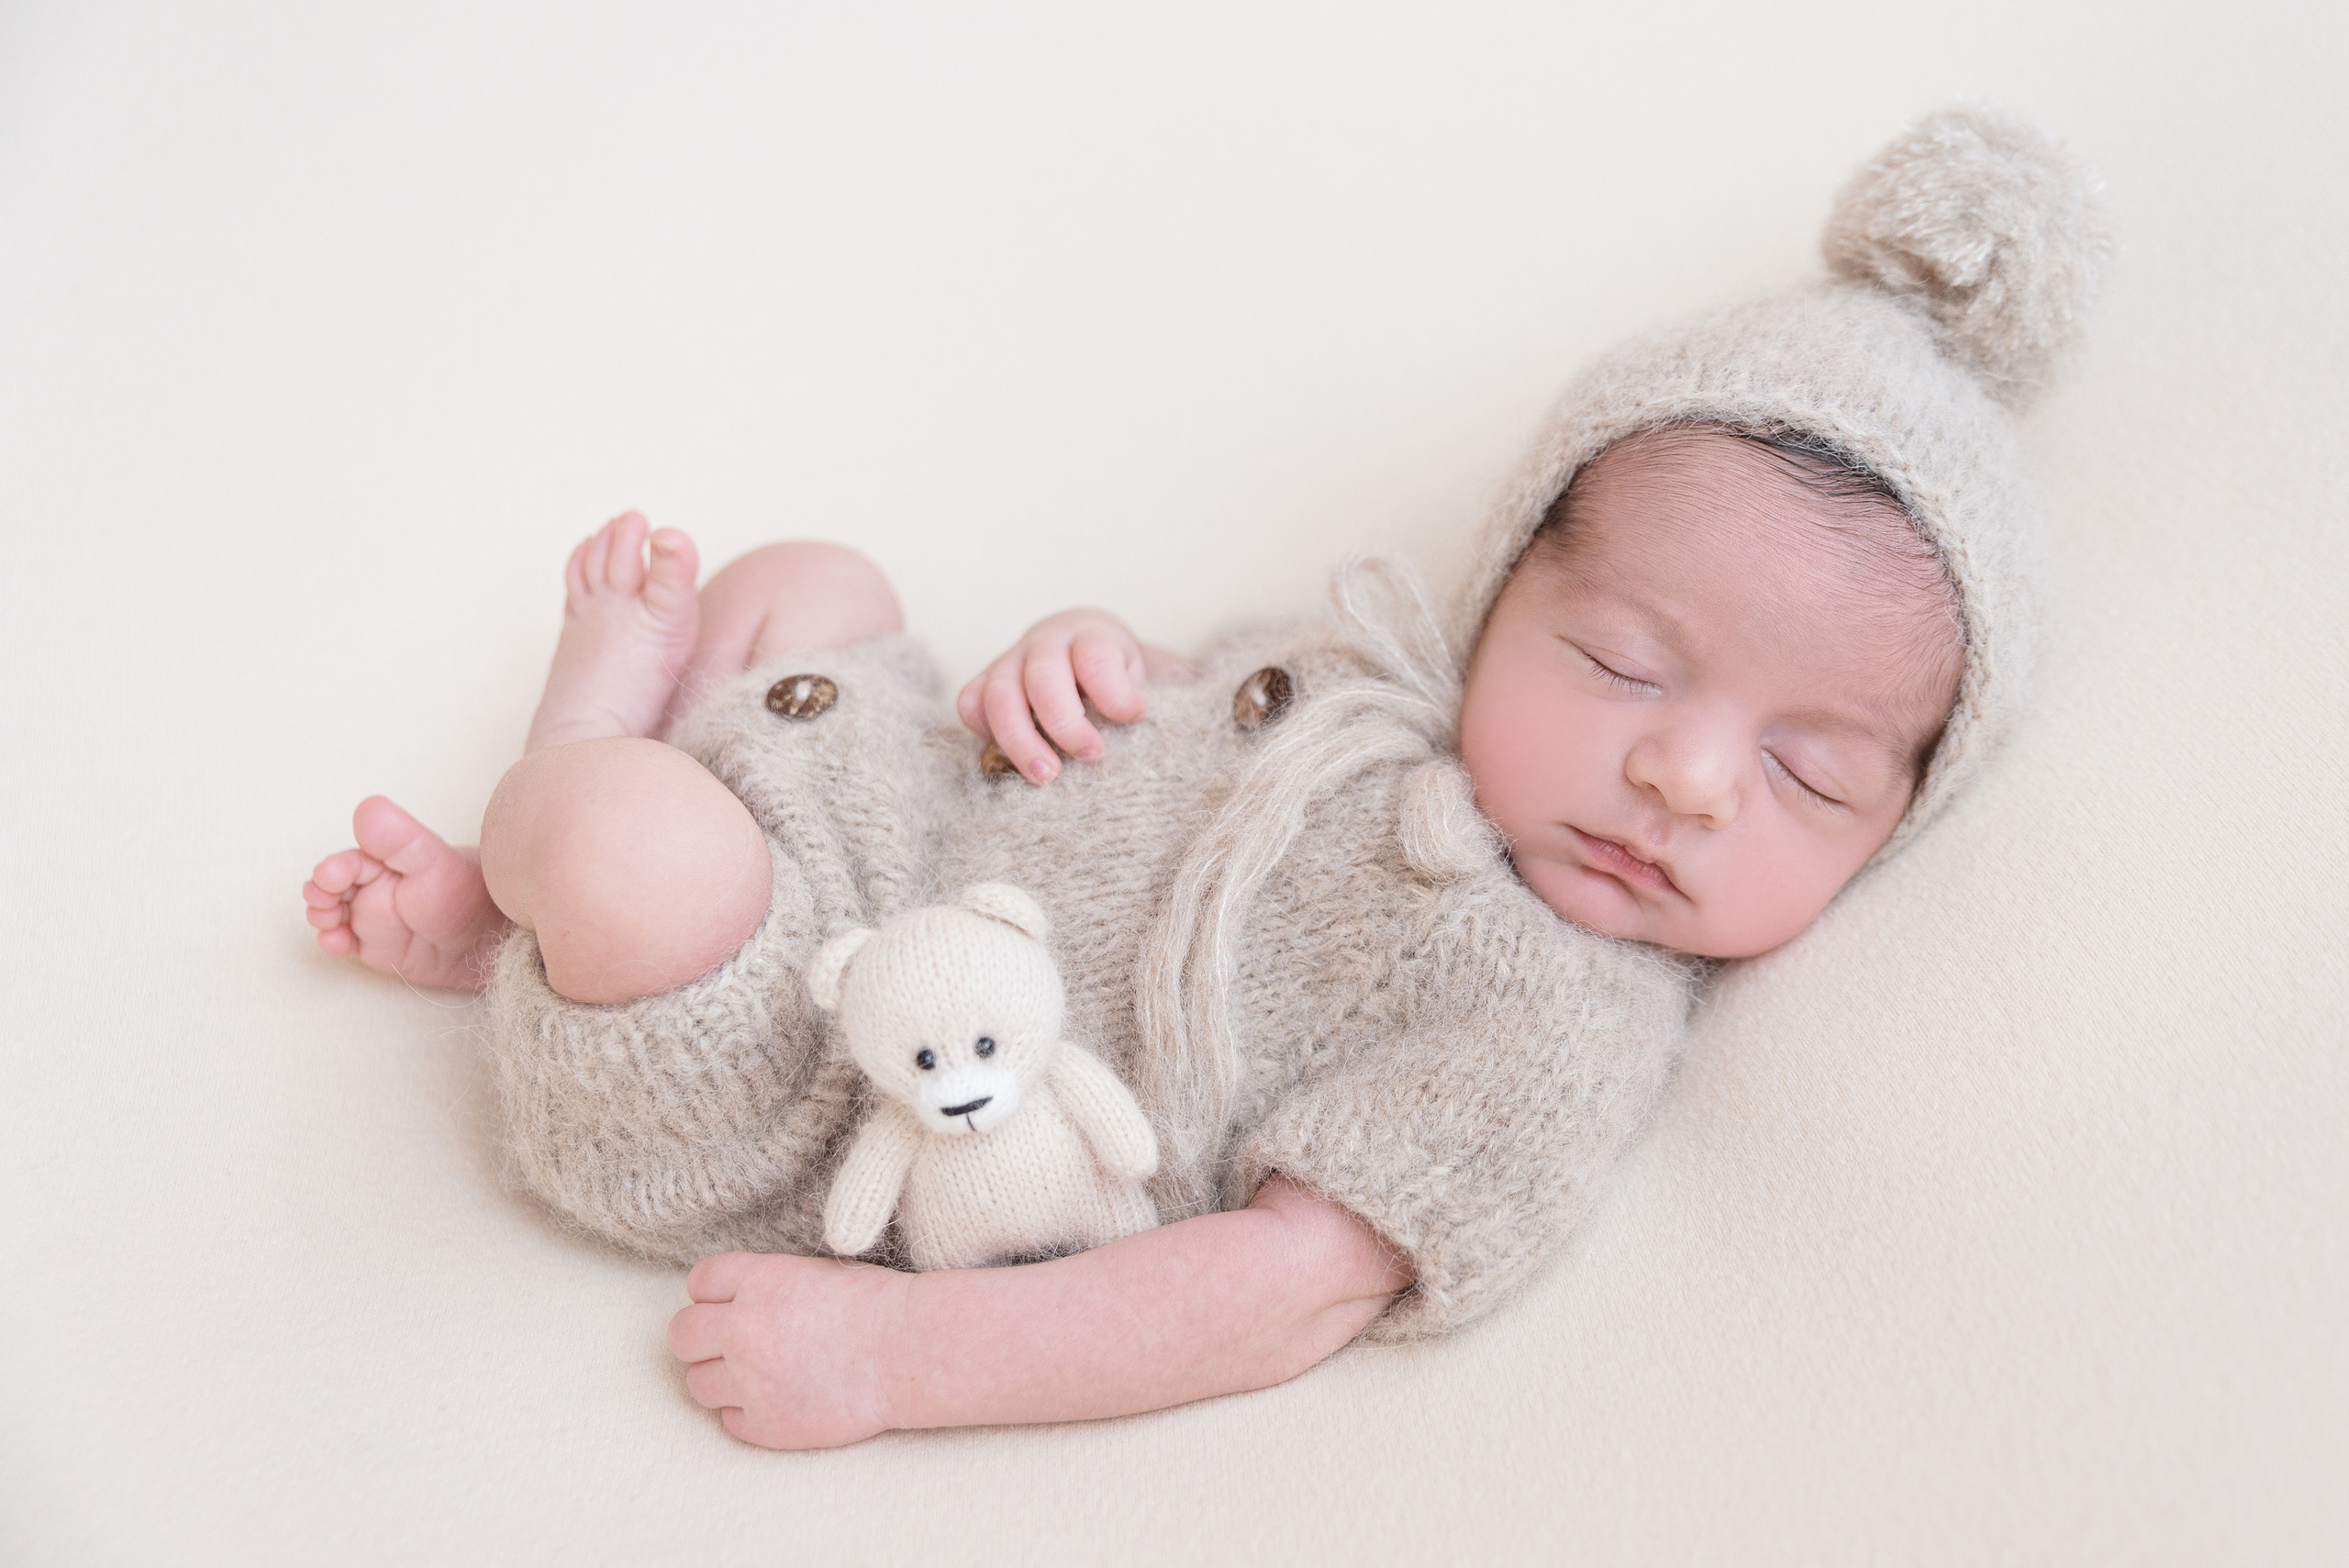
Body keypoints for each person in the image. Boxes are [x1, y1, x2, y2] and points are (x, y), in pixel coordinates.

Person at [300, 104, 2106, 1449]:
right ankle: (512, 920)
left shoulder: (1556, 1022)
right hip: (886, 827)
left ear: (1902, 820)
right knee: (807, 585)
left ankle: (545, 827)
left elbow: (1274, 1294)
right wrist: (1069, 662)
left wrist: (893, 1369)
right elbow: (1133, 712)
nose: (1686, 778)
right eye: (1625, 664)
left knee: (623, 842)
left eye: (1806, 776)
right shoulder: (1357, 684)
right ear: (1498, 597)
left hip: (830, 1082)